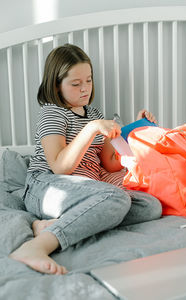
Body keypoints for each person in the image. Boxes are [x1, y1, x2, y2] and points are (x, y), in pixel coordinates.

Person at [9, 44, 162, 275]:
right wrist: (91, 130)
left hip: (88, 191)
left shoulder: (94, 115)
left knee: (151, 206)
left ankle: (54, 224)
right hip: (47, 186)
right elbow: (60, 166)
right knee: (115, 197)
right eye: (76, 84)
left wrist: (136, 130)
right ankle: (36, 246)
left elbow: (110, 163)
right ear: (56, 85)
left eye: (88, 81)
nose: (85, 89)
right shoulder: (53, 112)